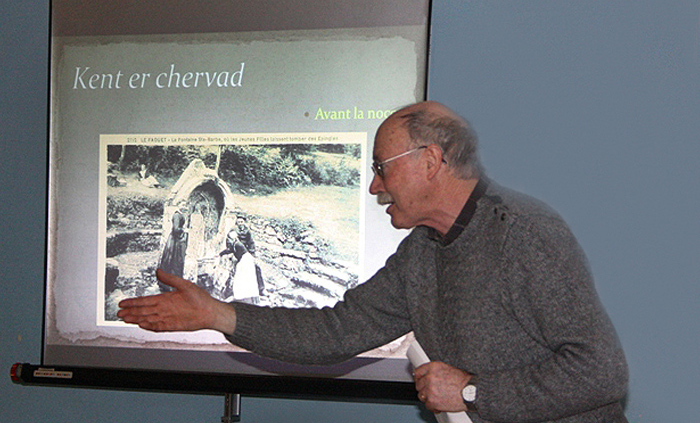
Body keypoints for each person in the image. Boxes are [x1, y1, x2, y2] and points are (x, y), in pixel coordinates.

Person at [119, 101, 628, 422]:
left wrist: (473, 392)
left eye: (383, 168)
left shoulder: (524, 234)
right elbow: (336, 332)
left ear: (431, 161)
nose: (374, 186)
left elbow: (602, 373)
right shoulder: (422, 253)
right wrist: (218, 315)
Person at [157, 210, 188, 293]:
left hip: (176, 240)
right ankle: (169, 285)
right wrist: (184, 231)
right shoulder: (177, 215)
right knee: (174, 261)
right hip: (175, 242)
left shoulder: (180, 214)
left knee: (176, 262)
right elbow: (175, 229)